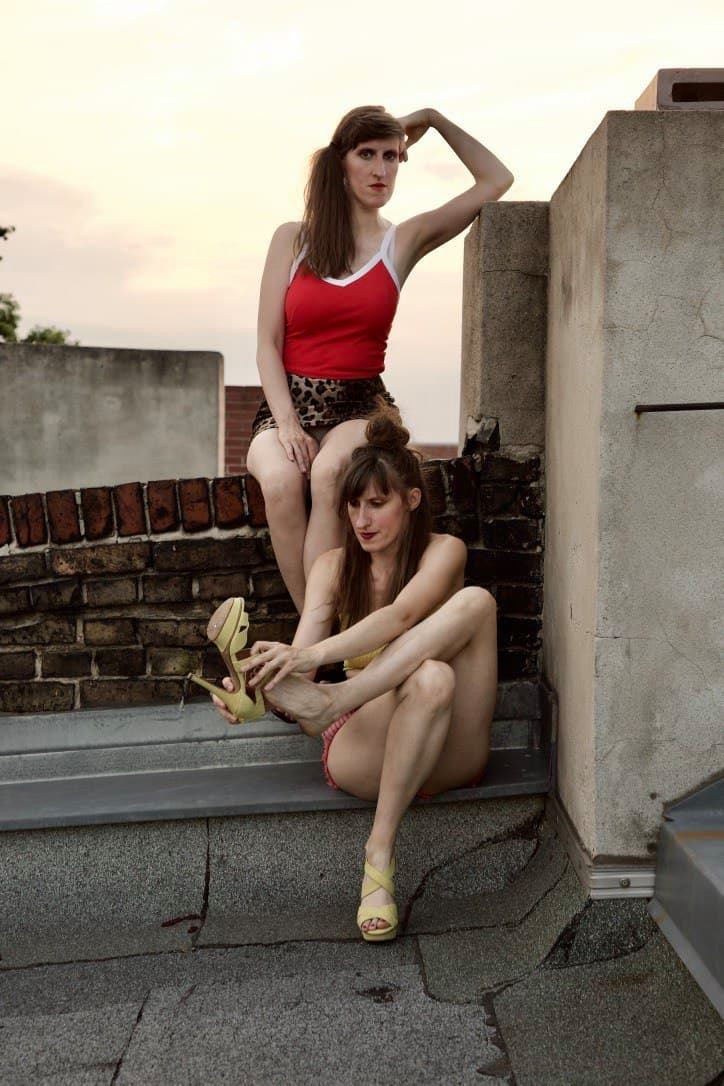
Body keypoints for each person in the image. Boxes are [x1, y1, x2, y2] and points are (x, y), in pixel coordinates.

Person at [211, 406, 498, 941]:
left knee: (476, 605)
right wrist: (255, 685)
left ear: (411, 501)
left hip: (451, 748)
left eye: (377, 504)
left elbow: (402, 617)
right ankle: (379, 854)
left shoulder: (444, 552)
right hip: (366, 751)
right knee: (431, 677)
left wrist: (324, 678)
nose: (362, 519)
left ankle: (338, 700)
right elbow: (301, 656)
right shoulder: (333, 567)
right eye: (353, 504)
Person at [246, 104, 514, 613]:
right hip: (286, 405)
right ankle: (318, 630)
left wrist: (433, 119)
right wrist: (288, 424)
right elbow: (267, 343)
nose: (381, 169)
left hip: (359, 405)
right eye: (367, 154)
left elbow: (496, 179)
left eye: (392, 157)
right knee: (280, 482)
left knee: (329, 474)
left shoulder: (401, 241)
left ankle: (319, 637)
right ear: (340, 163)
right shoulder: (292, 239)